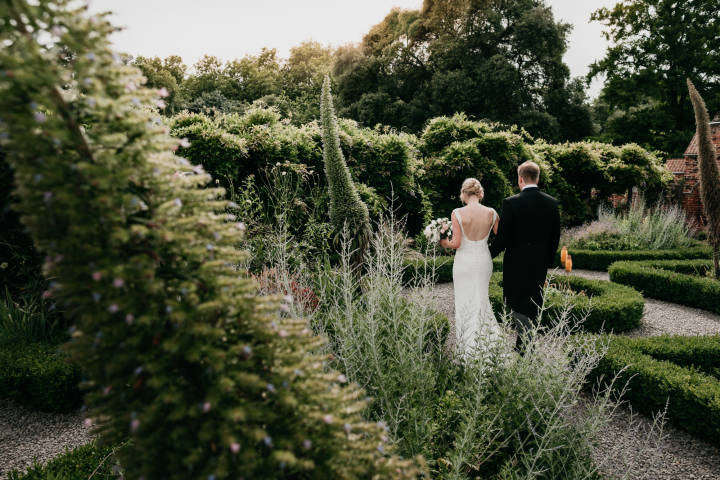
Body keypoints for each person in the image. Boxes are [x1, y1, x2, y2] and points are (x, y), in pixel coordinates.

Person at [489, 161, 561, 354]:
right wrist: (547, 261)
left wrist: (487, 254)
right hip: (539, 264)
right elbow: (555, 237)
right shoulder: (551, 203)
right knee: (533, 301)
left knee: (516, 300)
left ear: (520, 178)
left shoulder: (511, 203)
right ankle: (523, 344)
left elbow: (503, 238)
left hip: (516, 264)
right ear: (537, 178)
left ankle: (526, 346)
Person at [440, 178, 503, 356]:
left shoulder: (458, 212)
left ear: (464, 193)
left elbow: (457, 243)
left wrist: (444, 242)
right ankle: (489, 346)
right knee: (482, 299)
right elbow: (501, 237)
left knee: (465, 302)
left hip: (464, 262)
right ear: (479, 193)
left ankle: (468, 349)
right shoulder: (492, 213)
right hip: (484, 260)